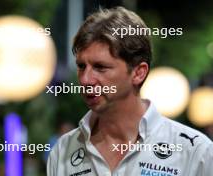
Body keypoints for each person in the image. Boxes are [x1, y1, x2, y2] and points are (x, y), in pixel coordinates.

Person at [47, 6, 213, 176]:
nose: (85, 79)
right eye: (81, 66)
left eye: (100, 67)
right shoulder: (63, 150)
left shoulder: (195, 152)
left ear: (138, 73)